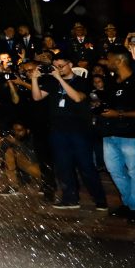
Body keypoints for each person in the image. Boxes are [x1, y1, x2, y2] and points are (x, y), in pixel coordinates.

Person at [96, 49, 135, 225]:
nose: (106, 63)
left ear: (120, 60)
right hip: (110, 133)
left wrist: (120, 114)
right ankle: (129, 202)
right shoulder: (113, 83)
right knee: (114, 169)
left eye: (109, 59)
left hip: (133, 134)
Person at [35, 57, 102, 210]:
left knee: (86, 166)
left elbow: (77, 97)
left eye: (61, 66)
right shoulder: (52, 82)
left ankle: (100, 200)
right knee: (63, 166)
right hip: (58, 130)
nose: (58, 69)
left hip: (79, 130)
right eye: (55, 66)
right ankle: (70, 198)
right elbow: (37, 96)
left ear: (70, 64)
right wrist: (34, 79)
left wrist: (60, 79)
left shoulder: (82, 81)